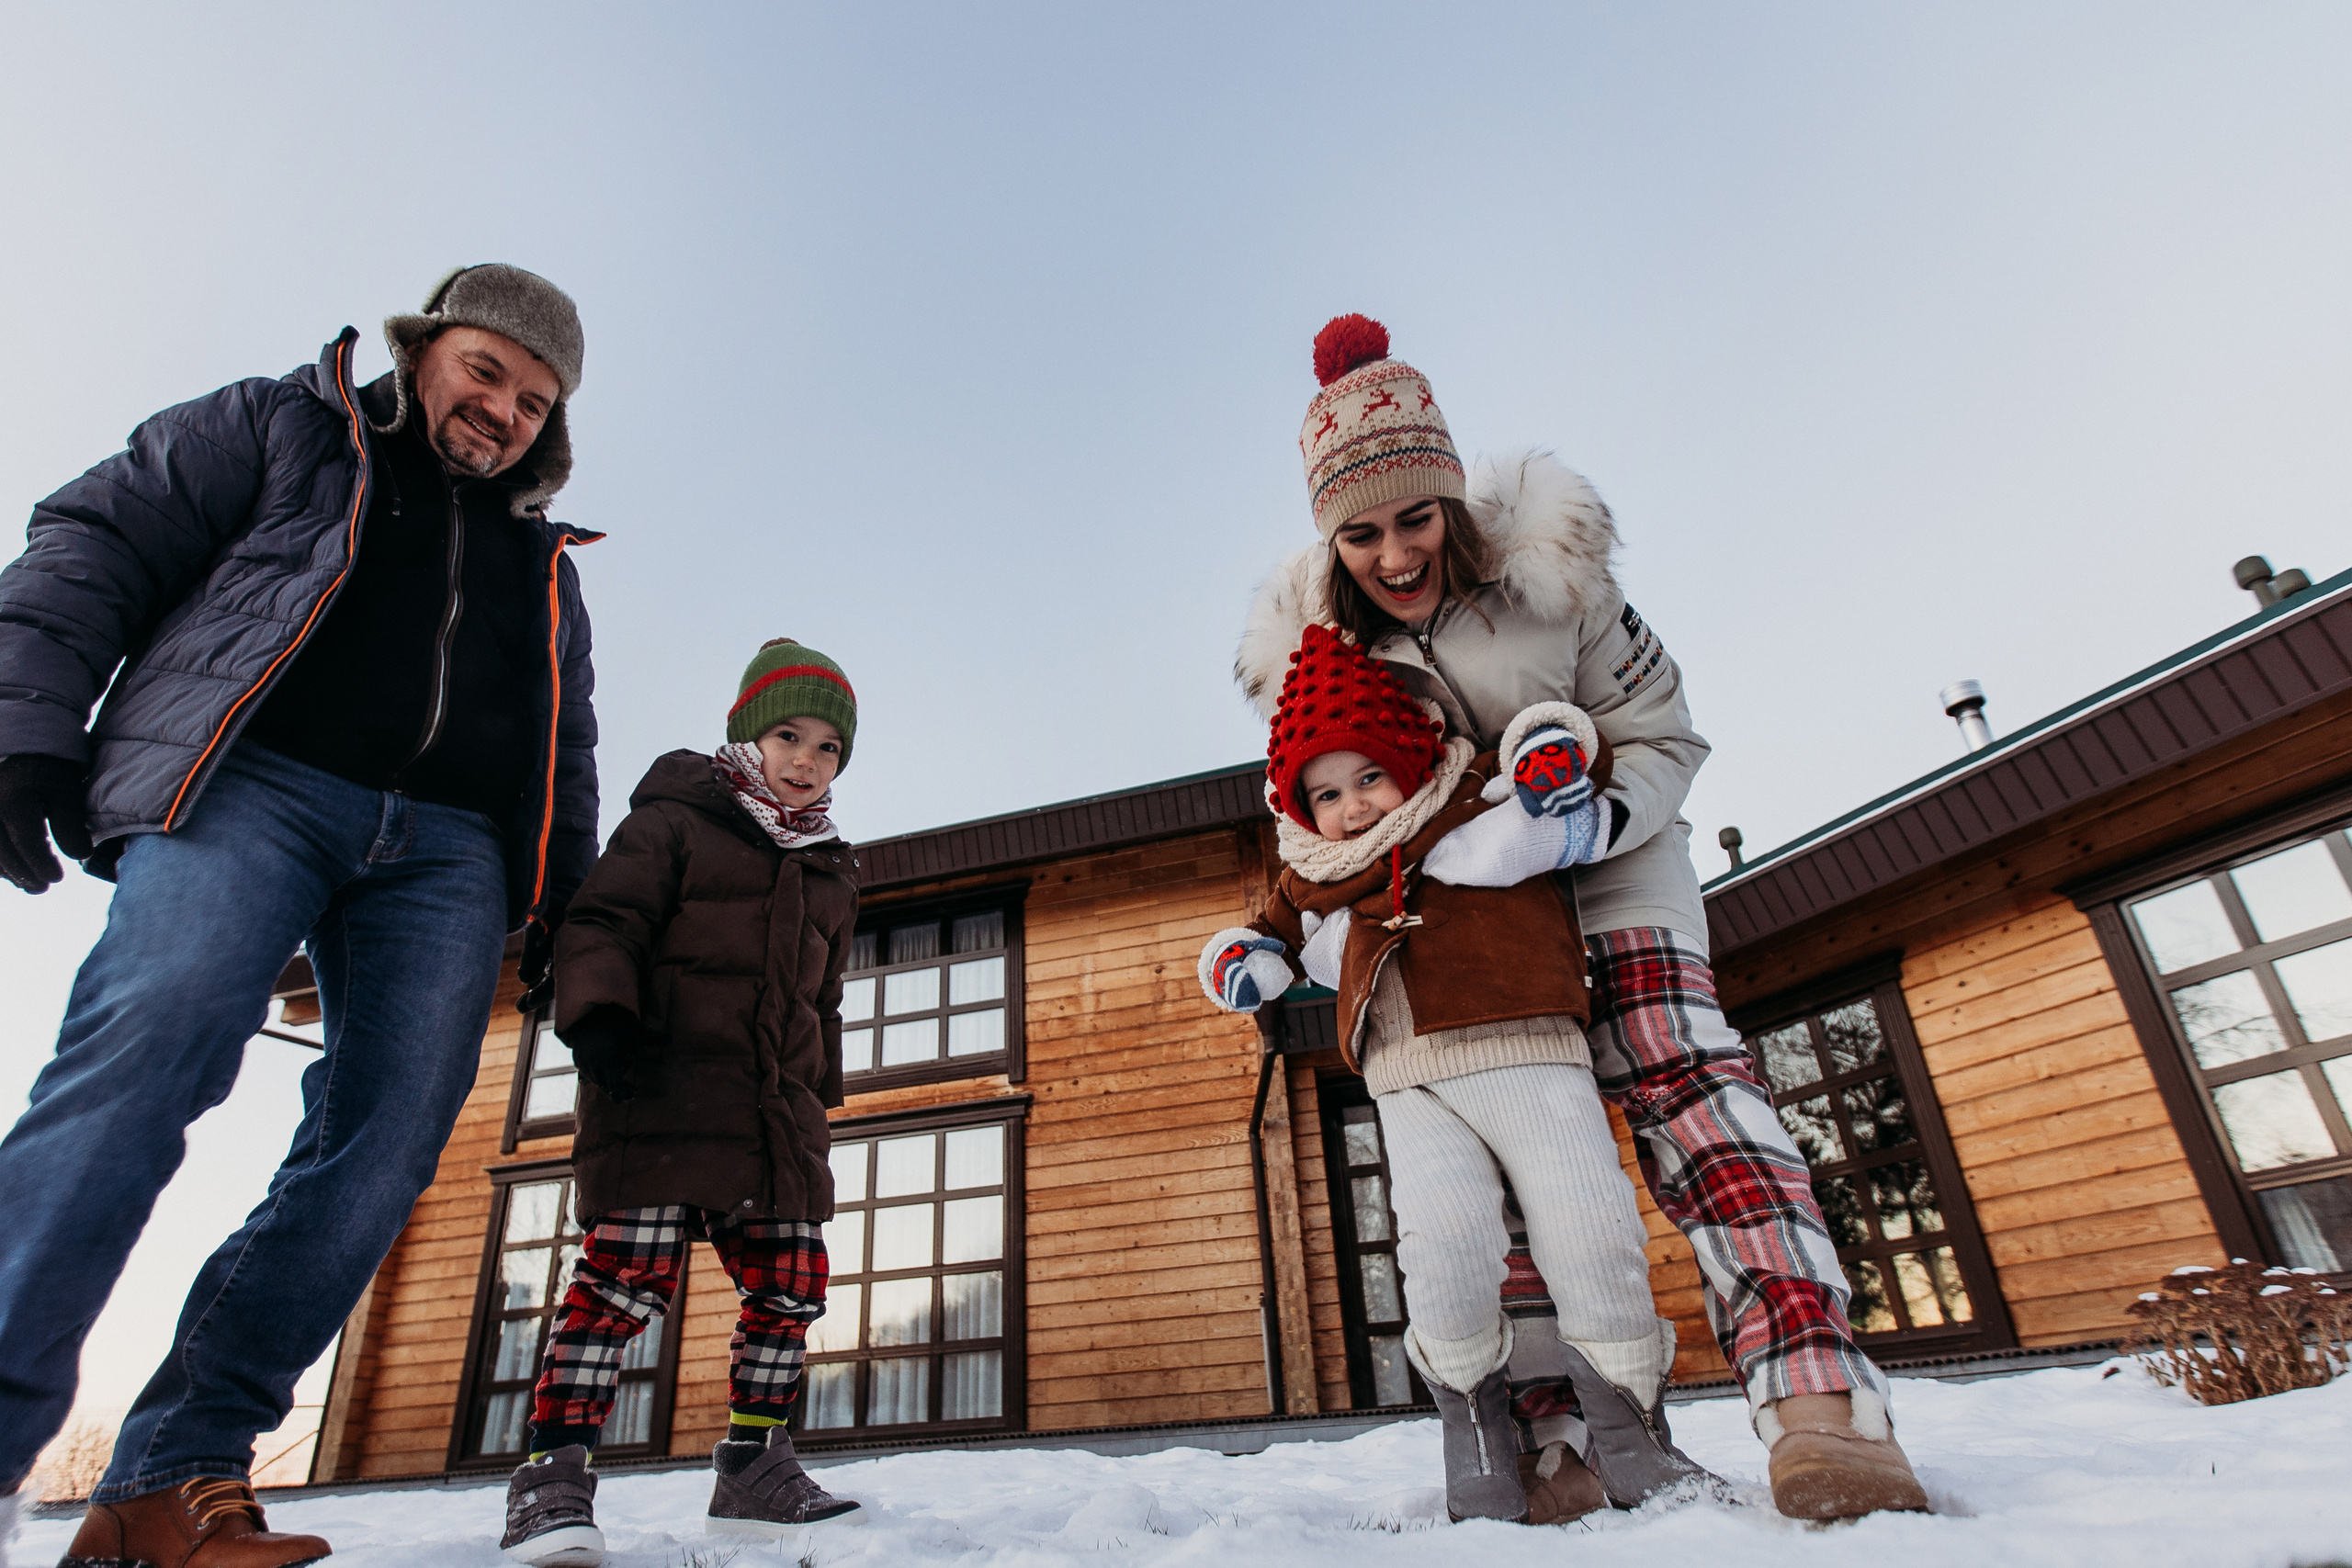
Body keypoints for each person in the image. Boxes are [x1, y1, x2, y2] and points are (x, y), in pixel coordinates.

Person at [1233, 314, 1930, 1521]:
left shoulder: (1557, 582)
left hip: (1603, 872)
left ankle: (1822, 1399)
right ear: (1328, 535)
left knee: (1689, 1083)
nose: (1396, 551)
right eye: (1362, 530)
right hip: (1459, 930)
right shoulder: (1318, 642)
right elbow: (1315, 800)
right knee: (1493, 1169)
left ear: (1451, 495)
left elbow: (1666, 733)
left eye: (1416, 516)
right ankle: (1557, 1435)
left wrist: (1574, 825)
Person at [0, 265, 602, 1567]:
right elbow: (99, 534)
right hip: (254, 781)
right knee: (150, 1039)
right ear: (425, 347)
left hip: (445, 853)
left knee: (389, 1137)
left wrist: (563, 898)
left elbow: (567, 743)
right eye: (486, 371)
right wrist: (27, 716)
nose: (502, 410)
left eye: (533, 400)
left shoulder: (541, 559)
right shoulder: (283, 425)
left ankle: (173, 1472)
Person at [1199, 623, 1713, 1524]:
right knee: (1441, 1254)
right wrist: (1242, 965)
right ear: (1298, 806)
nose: (1352, 806)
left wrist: (1556, 757)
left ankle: (1632, 1441)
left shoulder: (1472, 791)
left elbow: (1550, 741)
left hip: (1530, 1048)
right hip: (1405, 1077)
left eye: (1368, 776)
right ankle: (1474, 1443)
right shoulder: (1316, 869)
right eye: (1324, 792)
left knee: (1591, 1233)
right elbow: (1265, 938)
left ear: (1409, 760)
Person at [499, 640, 867, 1567]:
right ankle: (553, 1475)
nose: (804, 760)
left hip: (774, 1120)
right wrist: (600, 1016)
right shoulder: (673, 824)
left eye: (828, 748)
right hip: (655, 1090)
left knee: (793, 1286)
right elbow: (603, 921)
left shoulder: (830, 871)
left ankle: (753, 1462)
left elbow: (819, 1001)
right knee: (622, 1285)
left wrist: (818, 1092)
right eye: (788, 734)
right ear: (747, 733)